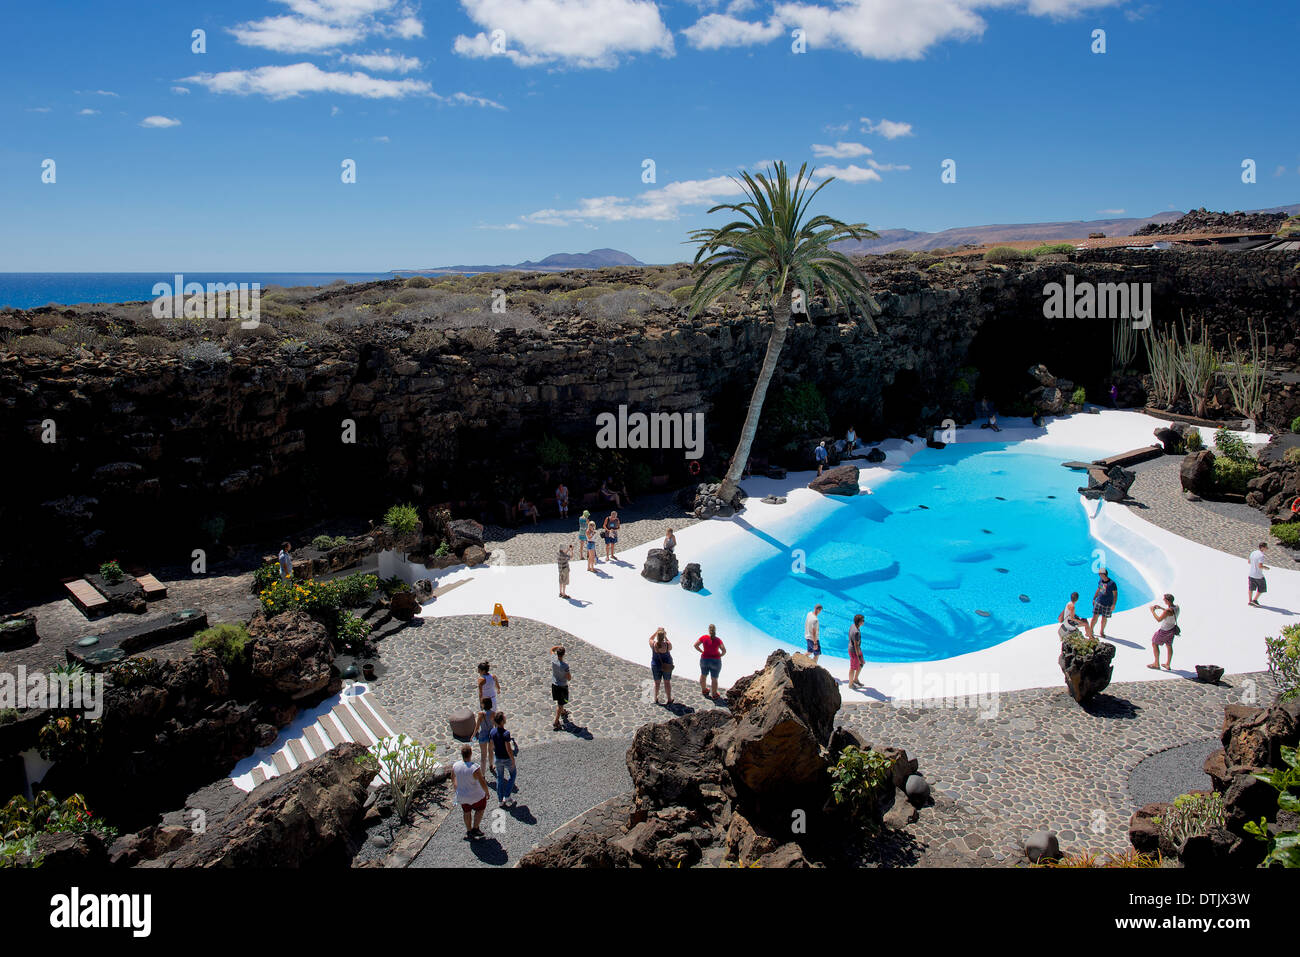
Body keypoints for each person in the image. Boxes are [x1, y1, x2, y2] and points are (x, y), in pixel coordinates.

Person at [452, 744, 489, 839]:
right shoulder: (474, 768)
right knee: (480, 810)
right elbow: (482, 782)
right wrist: (487, 792)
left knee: (466, 811)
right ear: (471, 754)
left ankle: (468, 831)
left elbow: (453, 779)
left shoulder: (455, 766)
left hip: (463, 796)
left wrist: (457, 789)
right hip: (476, 795)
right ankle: (475, 828)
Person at [488, 711, 519, 806]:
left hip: (498, 758)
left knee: (500, 778)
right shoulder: (506, 733)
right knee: (513, 775)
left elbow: (491, 746)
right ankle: (507, 795)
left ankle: (500, 800)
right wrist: (512, 759)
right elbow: (508, 748)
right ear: (501, 721)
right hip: (506, 758)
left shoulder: (492, 732)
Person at [1149, 593, 1179, 670]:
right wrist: (1162, 608)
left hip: (1164, 630)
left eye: (1164, 599)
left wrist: (1153, 611)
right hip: (1171, 629)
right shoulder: (1177, 607)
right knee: (1169, 646)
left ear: (1167, 601)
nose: (1163, 600)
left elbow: (1159, 619)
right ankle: (1168, 664)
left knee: (1154, 643)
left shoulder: (1167, 611)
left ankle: (1156, 663)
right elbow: (1170, 612)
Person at [694, 624, 726, 698]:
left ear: (709, 630)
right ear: (715, 631)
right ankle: (714, 694)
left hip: (704, 659)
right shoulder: (718, 640)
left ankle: (704, 690)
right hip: (715, 661)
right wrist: (720, 655)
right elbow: (724, 650)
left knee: (703, 675)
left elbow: (695, 645)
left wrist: (702, 651)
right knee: (714, 678)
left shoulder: (704, 637)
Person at [1090, 570, 1118, 640]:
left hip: (1107, 604)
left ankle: (1101, 632)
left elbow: (1115, 595)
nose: (1099, 575)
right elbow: (1099, 589)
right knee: (1094, 617)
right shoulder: (1100, 581)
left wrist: (1114, 604)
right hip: (1099, 602)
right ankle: (1090, 630)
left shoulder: (1112, 584)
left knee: (1104, 619)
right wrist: (1094, 598)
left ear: (1103, 574)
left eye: (1100, 574)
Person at [650, 628, 674, 705]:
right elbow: (669, 644)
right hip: (667, 665)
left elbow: (650, 638)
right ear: (664, 636)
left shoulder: (654, 644)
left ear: (657, 636)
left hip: (656, 665)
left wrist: (656, 631)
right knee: (667, 682)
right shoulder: (667, 645)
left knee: (657, 683)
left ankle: (655, 698)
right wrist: (665, 636)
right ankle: (669, 699)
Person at [472, 696, 496, 774]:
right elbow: (495, 725)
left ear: (483, 704)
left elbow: (477, 726)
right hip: (491, 734)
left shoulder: (480, 714)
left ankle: (483, 774)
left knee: (483, 755)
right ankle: (491, 765)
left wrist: (473, 735)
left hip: (483, 734)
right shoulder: (493, 713)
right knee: (491, 751)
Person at [550, 645, 571, 730]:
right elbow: (569, 678)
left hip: (554, 684)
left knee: (559, 701)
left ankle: (563, 711)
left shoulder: (553, 659)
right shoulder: (565, 666)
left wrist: (558, 647)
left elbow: (551, 649)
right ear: (564, 654)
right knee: (561, 703)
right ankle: (556, 722)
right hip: (562, 686)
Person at [1248, 542, 1269, 606]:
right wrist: (1266, 568)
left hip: (1251, 574)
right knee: (1262, 588)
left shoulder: (1253, 552)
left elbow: (1249, 561)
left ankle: (1250, 601)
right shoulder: (1261, 555)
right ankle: (1255, 600)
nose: (1267, 548)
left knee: (1251, 588)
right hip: (1258, 575)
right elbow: (1260, 566)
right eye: (1266, 547)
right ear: (1262, 548)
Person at [847, 613, 865, 688]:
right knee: (853, 667)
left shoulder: (853, 625)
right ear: (859, 622)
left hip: (855, 650)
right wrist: (859, 656)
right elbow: (856, 645)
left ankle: (856, 679)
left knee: (861, 664)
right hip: (854, 651)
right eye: (863, 620)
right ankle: (850, 684)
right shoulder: (857, 632)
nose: (864, 622)